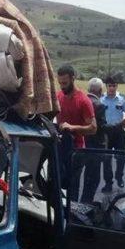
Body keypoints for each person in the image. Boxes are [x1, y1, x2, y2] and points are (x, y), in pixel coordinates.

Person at [55, 65, 96, 196]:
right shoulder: (58, 96)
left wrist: (72, 127)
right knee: (54, 184)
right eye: (60, 83)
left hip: (76, 151)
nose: (62, 86)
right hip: (59, 148)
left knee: (72, 189)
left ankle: (71, 214)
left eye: (65, 83)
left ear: (73, 79)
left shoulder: (83, 101)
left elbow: (93, 128)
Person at [100, 77, 125, 192]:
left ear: (117, 86)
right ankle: (108, 183)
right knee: (106, 159)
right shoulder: (101, 99)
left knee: (121, 157)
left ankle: (119, 177)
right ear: (106, 86)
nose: (112, 88)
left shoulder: (122, 98)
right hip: (106, 133)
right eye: (110, 86)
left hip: (119, 132)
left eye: (114, 86)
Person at [81, 77, 108, 202]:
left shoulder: (82, 100)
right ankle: (86, 204)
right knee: (93, 179)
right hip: (95, 147)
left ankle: (77, 205)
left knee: (81, 178)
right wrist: (120, 125)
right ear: (100, 90)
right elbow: (102, 127)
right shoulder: (99, 105)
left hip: (81, 146)